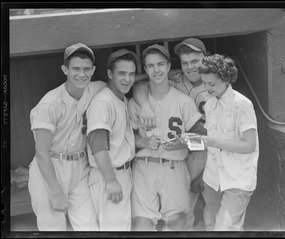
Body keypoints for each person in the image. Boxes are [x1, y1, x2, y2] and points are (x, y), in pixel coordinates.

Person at [133, 38, 211, 230]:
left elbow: (203, 140)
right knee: (142, 221)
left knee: (181, 218)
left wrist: (181, 143)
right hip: (145, 165)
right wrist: (144, 140)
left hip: (182, 162)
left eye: (160, 64)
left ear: (169, 66)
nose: (156, 70)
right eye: (150, 66)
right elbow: (127, 139)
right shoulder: (139, 99)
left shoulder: (193, 96)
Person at [28, 43, 106, 231]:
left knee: (89, 227)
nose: (82, 74)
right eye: (76, 69)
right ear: (65, 69)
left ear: (93, 70)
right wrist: (56, 192)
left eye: (86, 69)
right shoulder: (50, 104)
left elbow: (119, 82)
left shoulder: (94, 88)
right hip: (50, 168)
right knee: (53, 228)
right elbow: (41, 153)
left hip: (80, 166)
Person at [198, 54, 259, 231]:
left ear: (226, 80)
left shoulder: (242, 104)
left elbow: (250, 145)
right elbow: (212, 144)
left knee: (225, 229)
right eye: (204, 83)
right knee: (213, 227)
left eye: (212, 84)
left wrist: (215, 142)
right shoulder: (209, 106)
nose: (207, 88)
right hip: (212, 179)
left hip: (238, 179)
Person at [86, 49, 138, 231]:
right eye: (121, 73)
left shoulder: (120, 98)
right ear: (110, 74)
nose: (127, 79)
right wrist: (111, 180)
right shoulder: (103, 102)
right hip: (108, 174)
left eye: (131, 74)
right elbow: (98, 145)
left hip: (120, 173)